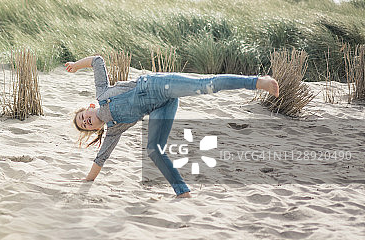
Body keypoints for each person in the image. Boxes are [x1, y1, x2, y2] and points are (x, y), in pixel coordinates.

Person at [65, 55, 279, 197]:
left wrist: (75, 65)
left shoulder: (102, 93)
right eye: (85, 125)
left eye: (83, 117)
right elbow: (101, 158)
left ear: (90, 107)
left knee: (206, 85)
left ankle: (257, 82)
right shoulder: (114, 129)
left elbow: (97, 61)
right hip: (161, 107)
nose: (85, 121)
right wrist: (87, 180)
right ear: (94, 130)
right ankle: (182, 191)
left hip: (159, 85)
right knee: (154, 150)